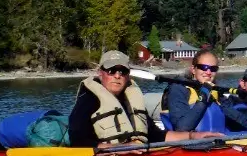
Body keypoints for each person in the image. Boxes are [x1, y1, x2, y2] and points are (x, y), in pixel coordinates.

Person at [69, 50, 222, 148]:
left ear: (128, 74)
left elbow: (158, 135)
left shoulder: (131, 99)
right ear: (100, 73)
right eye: (111, 70)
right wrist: (118, 149)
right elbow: (78, 140)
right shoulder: (89, 98)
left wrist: (194, 136)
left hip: (136, 154)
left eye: (123, 71)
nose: (117, 75)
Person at [162, 49, 225, 131]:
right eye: (204, 67)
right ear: (193, 69)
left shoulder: (216, 92)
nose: (208, 72)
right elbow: (181, 128)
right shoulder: (178, 88)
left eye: (213, 69)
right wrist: (204, 95)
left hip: (217, 141)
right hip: (188, 142)